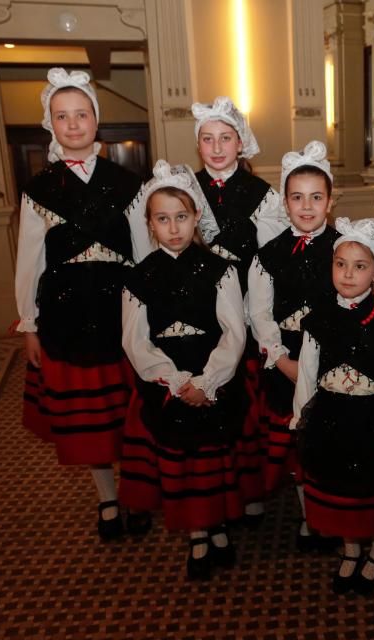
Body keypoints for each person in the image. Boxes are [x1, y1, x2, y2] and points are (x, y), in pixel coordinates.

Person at [16, 67, 149, 540]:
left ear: (96, 119)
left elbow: (144, 253)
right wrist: (29, 324)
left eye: (81, 114)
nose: (72, 124)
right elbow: (29, 262)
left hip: (120, 310)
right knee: (92, 422)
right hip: (66, 312)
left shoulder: (128, 181)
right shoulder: (40, 188)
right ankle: (108, 497)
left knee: (131, 412)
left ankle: (137, 492)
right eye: (61, 116)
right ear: (50, 124)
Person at [119, 160, 247, 580]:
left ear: (196, 218)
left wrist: (207, 382)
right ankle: (197, 533)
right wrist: (174, 381)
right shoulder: (138, 278)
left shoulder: (221, 271)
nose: (173, 228)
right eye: (162, 219)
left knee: (214, 460)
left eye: (181, 217)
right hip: (167, 389)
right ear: (150, 225)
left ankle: (220, 526)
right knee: (183, 465)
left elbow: (233, 332)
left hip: (213, 385)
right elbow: (136, 341)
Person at [291, 217, 374, 594]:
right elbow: (307, 373)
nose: (348, 274)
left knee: (372, 490)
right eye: (340, 264)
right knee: (342, 492)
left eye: (360, 266)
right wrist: (301, 419)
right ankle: (351, 550)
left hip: (372, 421)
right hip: (331, 418)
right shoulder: (317, 320)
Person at [189, 96, 288, 525]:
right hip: (197, 311)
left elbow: (270, 260)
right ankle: (211, 495)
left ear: (240, 143)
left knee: (246, 404)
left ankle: (251, 492)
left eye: (225, 138)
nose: (216, 148)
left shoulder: (262, 196)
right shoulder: (185, 187)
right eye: (207, 139)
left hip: (246, 309)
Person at [247, 141, 339, 550]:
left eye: (316, 197)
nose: (306, 207)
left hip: (334, 359)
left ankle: (333, 514)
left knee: (330, 439)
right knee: (297, 447)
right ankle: (308, 516)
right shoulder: (267, 255)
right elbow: (260, 315)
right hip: (286, 361)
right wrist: (283, 360)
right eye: (297, 197)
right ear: (284, 203)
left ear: (330, 201)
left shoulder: (344, 249)